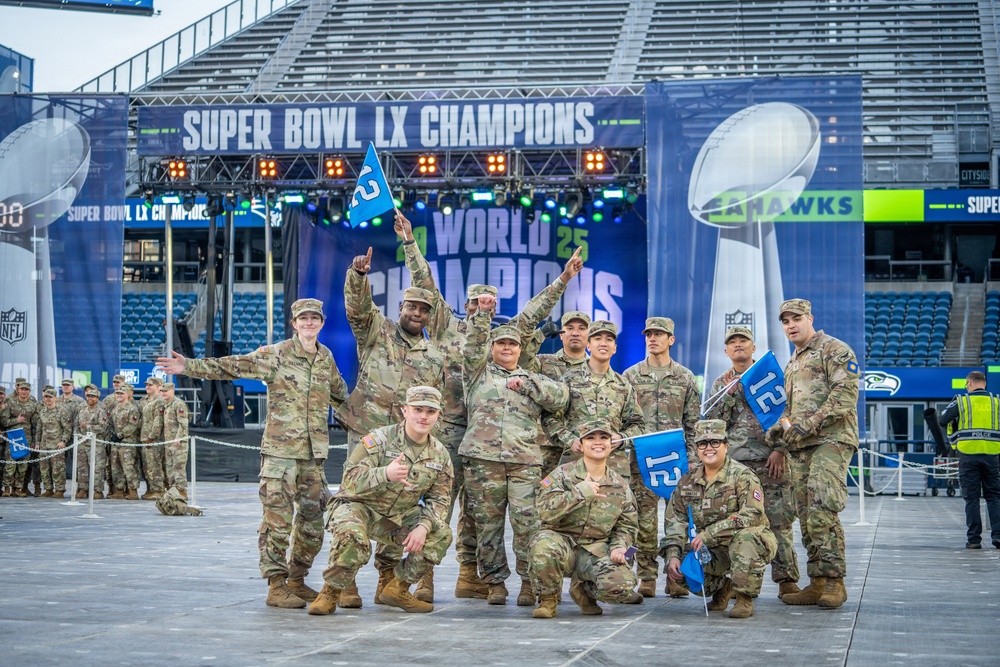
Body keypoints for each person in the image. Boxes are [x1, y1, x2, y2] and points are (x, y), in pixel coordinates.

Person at [395, 210, 584, 603]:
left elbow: (534, 312)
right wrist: (410, 243)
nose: (484, 306)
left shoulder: (502, 338)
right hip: (447, 429)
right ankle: (425, 579)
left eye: (491, 302)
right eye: (478, 301)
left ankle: (472, 575)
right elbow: (424, 282)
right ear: (467, 303)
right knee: (439, 504)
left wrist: (564, 279)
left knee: (478, 513)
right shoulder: (447, 325)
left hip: (499, 436)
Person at [157, 298, 349, 610]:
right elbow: (232, 365)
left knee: (313, 524)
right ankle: (276, 586)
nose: (309, 323)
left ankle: (297, 580)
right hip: (280, 456)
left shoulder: (325, 357)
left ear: (322, 322)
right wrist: (188, 366)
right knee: (277, 522)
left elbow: (342, 397)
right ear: (294, 323)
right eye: (303, 319)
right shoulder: (276, 355)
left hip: (313, 458)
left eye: (314, 318)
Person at [336, 247, 446, 607]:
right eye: (411, 307)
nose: (416, 313)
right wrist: (358, 276)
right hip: (368, 434)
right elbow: (357, 308)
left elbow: (432, 401)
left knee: (399, 507)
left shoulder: (433, 356)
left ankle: (387, 579)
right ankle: (346, 581)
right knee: (355, 500)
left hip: (407, 443)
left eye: (423, 310)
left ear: (429, 316)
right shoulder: (376, 331)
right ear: (400, 309)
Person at [308, 386, 454, 616]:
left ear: (438, 416)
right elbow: (350, 478)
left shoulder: (440, 454)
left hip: (398, 516)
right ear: (405, 410)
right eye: (417, 409)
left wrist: (423, 527)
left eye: (430, 411)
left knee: (441, 533)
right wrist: (385, 473)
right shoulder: (379, 439)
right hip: (358, 507)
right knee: (353, 538)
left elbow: (440, 500)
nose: (424, 416)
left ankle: (397, 588)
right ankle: (330, 591)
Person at [460, 302, 569, 607]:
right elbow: (472, 345)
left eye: (513, 344)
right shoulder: (477, 373)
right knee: (487, 525)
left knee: (527, 526)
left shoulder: (534, 379)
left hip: (523, 464)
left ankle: (528, 583)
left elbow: (561, 398)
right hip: (483, 463)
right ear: (492, 347)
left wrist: (529, 384)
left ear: (521, 349)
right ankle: (495, 583)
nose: (507, 348)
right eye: (501, 343)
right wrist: (482, 316)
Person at [769, 298, 859, 608]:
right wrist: (780, 432)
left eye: (796, 318)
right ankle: (817, 581)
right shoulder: (792, 362)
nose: (791, 325)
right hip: (800, 446)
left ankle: (835, 581)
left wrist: (810, 424)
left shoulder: (835, 349)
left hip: (831, 440)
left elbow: (845, 394)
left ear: (810, 318)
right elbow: (790, 409)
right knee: (806, 515)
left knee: (822, 505)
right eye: (785, 321)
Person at [705, 326, 800, 598]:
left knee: (779, 521)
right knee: (736, 524)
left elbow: (786, 416)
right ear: (726, 351)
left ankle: (787, 581)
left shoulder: (770, 377)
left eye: (743, 341)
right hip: (736, 466)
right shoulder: (720, 384)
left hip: (771, 460)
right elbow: (716, 426)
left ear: (753, 347)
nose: (738, 345)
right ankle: (738, 582)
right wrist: (730, 394)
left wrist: (781, 449)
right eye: (732, 342)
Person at [662, 419, 776, 618]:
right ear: (697, 448)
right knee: (678, 562)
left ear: (726, 445)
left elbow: (752, 515)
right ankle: (723, 587)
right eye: (702, 444)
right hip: (713, 550)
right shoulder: (687, 482)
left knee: (745, 539)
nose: (709, 448)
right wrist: (672, 554)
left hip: (750, 542)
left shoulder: (742, 475)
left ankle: (744, 597)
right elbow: (676, 520)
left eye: (715, 442)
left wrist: (708, 534)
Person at [622, 317, 700, 598]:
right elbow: (624, 419)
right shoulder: (630, 377)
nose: (653, 338)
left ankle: (674, 575)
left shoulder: (685, 377)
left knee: (676, 519)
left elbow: (692, 424)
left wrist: (693, 460)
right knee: (643, 521)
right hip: (642, 461)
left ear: (671, 340)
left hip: (676, 461)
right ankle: (646, 576)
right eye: (649, 334)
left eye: (659, 334)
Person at [529, 420, 640, 618]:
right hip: (562, 545)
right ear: (581, 444)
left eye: (603, 438)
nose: (598, 442)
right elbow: (543, 511)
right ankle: (548, 599)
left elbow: (629, 525)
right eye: (591, 438)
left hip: (596, 549)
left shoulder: (620, 485)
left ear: (611, 444)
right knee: (542, 544)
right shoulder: (561, 475)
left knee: (622, 585)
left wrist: (621, 547)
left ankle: (584, 591)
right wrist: (579, 493)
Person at [522, 311, 591, 475]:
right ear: (561, 334)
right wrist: (540, 335)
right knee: (543, 495)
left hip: (581, 446)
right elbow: (521, 363)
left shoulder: (597, 369)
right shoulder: (543, 362)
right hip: (546, 446)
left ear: (590, 335)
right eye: (569, 328)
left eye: (581, 328)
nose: (575, 333)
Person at [938, 370, 1000, 549]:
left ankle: (974, 540)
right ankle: (998, 536)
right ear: (985, 383)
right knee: (994, 497)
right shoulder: (996, 401)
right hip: (992, 455)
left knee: (971, 499)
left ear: (970, 382)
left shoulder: (962, 401)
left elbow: (943, 420)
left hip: (968, 455)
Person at [1, 380, 40, 497]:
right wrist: (16, 421)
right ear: (18, 390)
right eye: (22, 389)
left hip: (26, 438)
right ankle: (7, 488)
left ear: (29, 391)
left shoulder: (33, 406)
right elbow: (3, 421)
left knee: (23, 464)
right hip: (12, 437)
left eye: (26, 390)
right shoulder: (10, 403)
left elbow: (35, 425)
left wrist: (34, 440)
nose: (24, 392)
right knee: (10, 463)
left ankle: (18, 488)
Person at [37, 387, 72, 498]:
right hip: (44, 445)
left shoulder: (62, 411)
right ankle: (48, 489)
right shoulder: (42, 411)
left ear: (55, 398)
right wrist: (37, 443)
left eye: (50, 397)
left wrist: (63, 441)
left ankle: (59, 490)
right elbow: (39, 429)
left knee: (58, 468)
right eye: (46, 397)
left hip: (56, 445)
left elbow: (67, 428)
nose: (48, 399)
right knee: (44, 469)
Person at [108, 384, 142, 500]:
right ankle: (119, 490)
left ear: (127, 395)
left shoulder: (132, 409)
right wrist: (113, 435)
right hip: (116, 443)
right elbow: (111, 424)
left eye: (121, 393)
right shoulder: (115, 409)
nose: (119, 395)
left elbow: (133, 425)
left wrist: (120, 435)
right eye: (117, 393)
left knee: (129, 467)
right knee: (116, 467)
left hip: (128, 442)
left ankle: (133, 491)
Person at [73, 387, 108, 499]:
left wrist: (87, 427)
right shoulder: (82, 411)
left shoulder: (101, 412)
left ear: (97, 398)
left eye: (93, 397)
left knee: (97, 468)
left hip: (96, 445)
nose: (90, 399)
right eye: (88, 396)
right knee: (82, 468)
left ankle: (97, 491)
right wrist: (77, 437)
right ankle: (83, 489)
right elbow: (76, 425)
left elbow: (102, 427)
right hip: (82, 444)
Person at [138, 377, 167, 500]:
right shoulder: (144, 400)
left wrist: (152, 436)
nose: (147, 387)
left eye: (151, 385)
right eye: (146, 385)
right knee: (147, 465)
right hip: (143, 437)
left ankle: (159, 490)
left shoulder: (159, 401)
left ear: (158, 386)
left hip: (154, 439)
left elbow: (158, 421)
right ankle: (150, 488)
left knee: (154, 465)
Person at [160, 382, 191, 497]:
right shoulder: (167, 405)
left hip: (178, 443)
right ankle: (174, 491)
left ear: (172, 391)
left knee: (178, 468)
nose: (163, 393)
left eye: (165, 391)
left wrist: (178, 439)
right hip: (169, 442)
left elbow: (183, 424)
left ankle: (182, 492)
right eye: (161, 391)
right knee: (170, 469)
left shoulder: (178, 404)